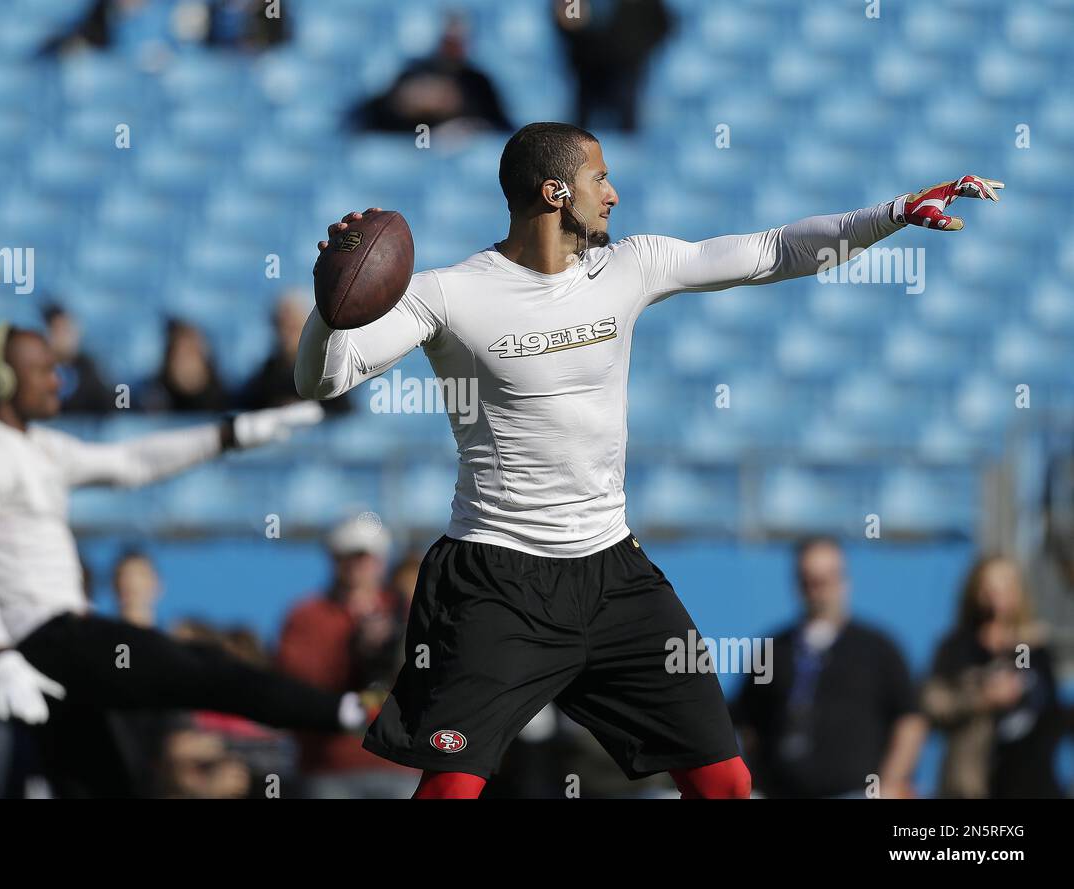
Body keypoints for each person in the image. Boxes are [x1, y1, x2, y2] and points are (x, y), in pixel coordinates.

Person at [296, 121, 999, 798]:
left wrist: (895, 211)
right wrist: (329, 313)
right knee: (452, 785)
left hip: (613, 575)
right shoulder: (448, 291)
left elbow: (773, 250)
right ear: (554, 193)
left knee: (727, 781)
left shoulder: (630, 264)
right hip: (494, 579)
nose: (614, 193)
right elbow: (322, 381)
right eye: (600, 176)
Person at [0, 322, 372, 798]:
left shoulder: (35, 447)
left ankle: (344, 713)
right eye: (42, 369)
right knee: (197, 668)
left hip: (47, 652)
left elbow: (132, 462)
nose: (56, 380)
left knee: (98, 784)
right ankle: (346, 712)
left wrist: (233, 432)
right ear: (1, 379)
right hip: (47, 641)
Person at [734, 537, 925, 798]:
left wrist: (890, 783)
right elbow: (747, 723)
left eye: (827, 579)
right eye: (809, 580)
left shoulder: (878, 648)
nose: (818, 589)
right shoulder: (773, 649)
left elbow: (910, 720)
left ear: (844, 581)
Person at [276, 515, 417, 799]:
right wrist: (352, 649)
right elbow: (295, 682)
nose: (358, 565)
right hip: (329, 765)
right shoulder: (307, 616)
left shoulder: (407, 610)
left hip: (399, 763)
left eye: (365, 556)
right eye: (348, 556)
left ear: (381, 560)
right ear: (333, 559)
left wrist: (391, 651)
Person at [923, 556, 1065, 799]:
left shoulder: (1035, 647)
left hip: (1031, 783)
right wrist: (983, 697)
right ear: (976, 592)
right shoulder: (958, 647)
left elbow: (1050, 709)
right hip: (973, 782)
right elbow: (932, 704)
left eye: (1006, 586)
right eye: (990, 587)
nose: (997, 596)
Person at [354, 13, 511, 136]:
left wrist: (468, 126)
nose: (453, 47)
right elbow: (369, 117)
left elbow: (500, 126)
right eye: (448, 40)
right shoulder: (413, 73)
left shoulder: (477, 81)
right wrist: (406, 105)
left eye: (458, 41)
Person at [554, 0, 672, 134]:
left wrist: (639, 49)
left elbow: (661, 24)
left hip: (626, 67)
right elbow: (564, 19)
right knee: (581, 130)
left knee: (627, 123)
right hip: (588, 67)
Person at [238, 292, 351, 415]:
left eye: (292, 327)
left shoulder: (327, 373)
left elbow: (343, 413)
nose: (285, 335)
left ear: (308, 327)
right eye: (280, 326)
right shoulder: (266, 378)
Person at [140, 318, 229, 414]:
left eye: (190, 352)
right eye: (179, 354)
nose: (186, 363)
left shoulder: (225, 399)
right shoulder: (153, 397)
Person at [43, 304, 114, 415]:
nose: (65, 338)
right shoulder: (40, 367)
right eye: (59, 330)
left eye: (67, 330)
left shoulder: (87, 366)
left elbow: (106, 403)